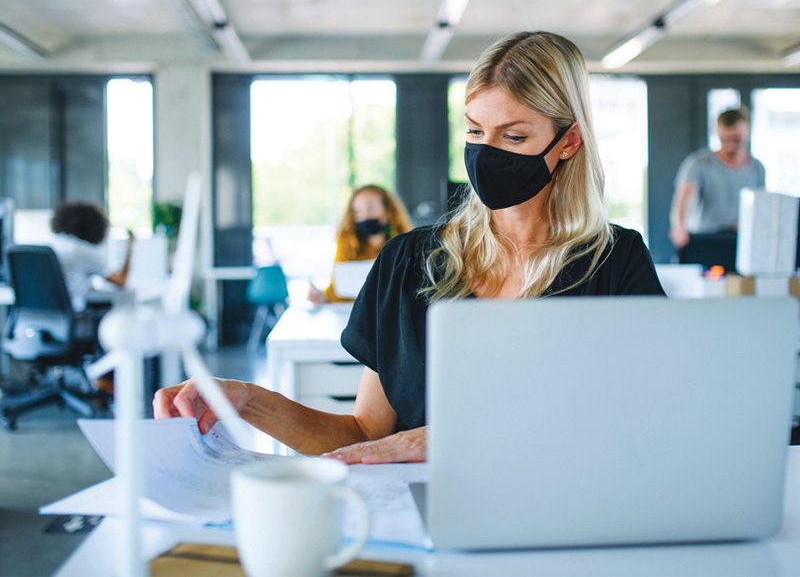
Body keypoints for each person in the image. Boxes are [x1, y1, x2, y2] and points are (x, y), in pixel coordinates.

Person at [153, 31, 665, 465]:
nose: (486, 154)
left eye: (512, 138)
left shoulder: (616, 264)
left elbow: (640, 430)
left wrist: (451, 442)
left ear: (568, 143)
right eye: (475, 131)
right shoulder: (407, 261)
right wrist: (247, 401)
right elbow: (366, 436)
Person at [669, 108, 766, 251]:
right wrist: (680, 226)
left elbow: (760, 205)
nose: (730, 146)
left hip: (741, 241)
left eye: (736, 140)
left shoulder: (757, 168)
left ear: (748, 133)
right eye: (725, 140)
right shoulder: (699, 163)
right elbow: (684, 200)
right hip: (706, 240)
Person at [307, 184, 413, 304]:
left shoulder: (404, 241)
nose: (364, 216)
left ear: (388, 211)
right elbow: (337, 288)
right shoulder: (347, 240)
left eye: (371, 209)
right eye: (357, 212)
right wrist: (321, 298)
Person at [50, 200, 134, 313]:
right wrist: (130, 246)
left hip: (38, 315)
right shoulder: (84, 250)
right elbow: (121, 281)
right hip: (72, 315)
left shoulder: (55, 243)